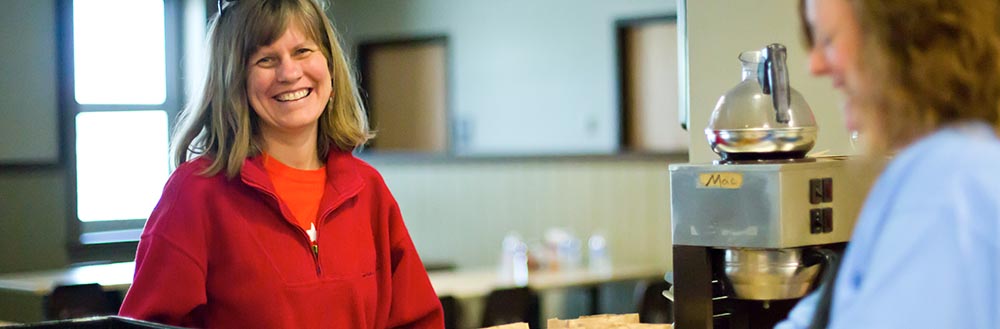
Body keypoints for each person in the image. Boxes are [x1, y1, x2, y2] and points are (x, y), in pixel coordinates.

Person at [117, 0, 444, 327]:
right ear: (235, 81)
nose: (289, 73)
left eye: (302, 51)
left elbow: (419, 320)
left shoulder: (368, 190)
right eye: (266, 59)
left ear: (329, 67)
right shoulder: (195, 193)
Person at [776, 0, 1000, 328]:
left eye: (829, 40)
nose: (815, 65)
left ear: (902, 37)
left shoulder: (947, 190)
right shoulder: (939, 172)